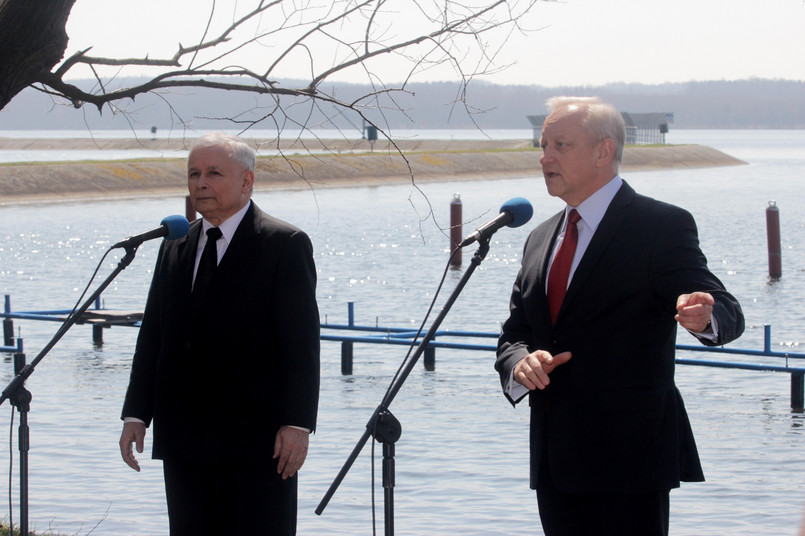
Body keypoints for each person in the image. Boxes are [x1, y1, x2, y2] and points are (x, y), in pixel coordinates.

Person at [495, 97, 745, 536]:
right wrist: (521, 363)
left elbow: (726, 310)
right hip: (554, 463)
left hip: (630, 463)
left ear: (603, 151)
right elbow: (515, 336)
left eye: (560, 145)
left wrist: (703, 316)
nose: (545, 156)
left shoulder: (659, 226)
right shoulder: (538, 237)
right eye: (543, 144)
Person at [118, 132, 320, 536]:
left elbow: (301, 344)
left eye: (213, 173)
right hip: (184, 438)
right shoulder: (174, 245)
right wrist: (136, 413)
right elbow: (154, 335)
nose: (200, 184)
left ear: (247, 181)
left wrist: (298, 423)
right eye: (193, 173)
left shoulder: (284, 244)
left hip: (257, 442)